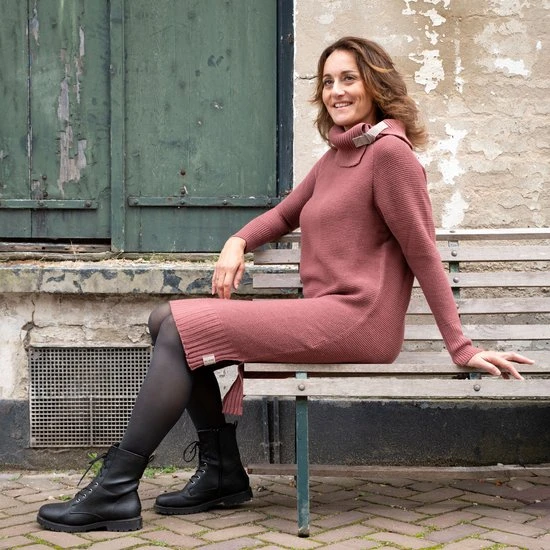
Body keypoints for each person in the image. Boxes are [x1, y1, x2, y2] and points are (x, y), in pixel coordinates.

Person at [37, 36, 534, 533]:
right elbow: (282, 215)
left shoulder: (390, 155)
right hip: (327, 313)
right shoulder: (337, 156)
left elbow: (423, 252)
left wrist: (460, 345)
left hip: (358, 319)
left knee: (180, 328)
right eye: (328, 82)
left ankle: (117, 488)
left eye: (349, 78)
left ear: (376, 84)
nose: (336, 91)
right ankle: (221, 473)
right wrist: (237, 240)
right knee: (163, 319)